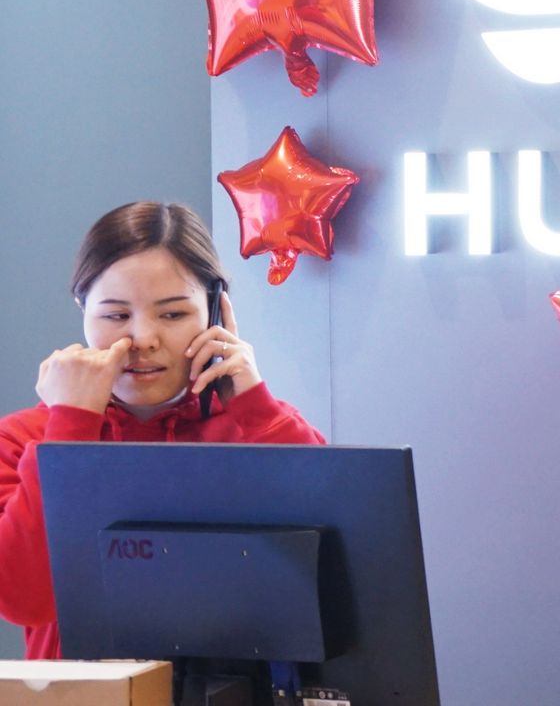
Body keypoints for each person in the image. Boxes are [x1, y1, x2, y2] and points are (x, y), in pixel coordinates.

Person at [0, 202, 326, 659]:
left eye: (172, 315)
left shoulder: (259, 428)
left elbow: (335, 575)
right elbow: (23, 600)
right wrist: (70, 425)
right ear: (83, 310)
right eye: (115, 316)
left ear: (216, 312)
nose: (143, 338)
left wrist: (256, 407)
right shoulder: (25, 439)